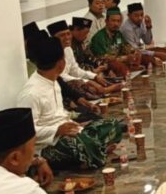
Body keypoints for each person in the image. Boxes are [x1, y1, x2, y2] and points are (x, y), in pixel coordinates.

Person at [18, 36, 124, 169]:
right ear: (61, 63)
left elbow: (59, 114)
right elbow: (27, 132)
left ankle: (94, 152)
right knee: (78, 145)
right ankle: (95, 151)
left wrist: (73, 121)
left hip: (71, 132)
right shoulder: (31, 92)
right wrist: (56, 130)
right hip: (49, 145)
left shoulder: (53, 81)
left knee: (111, 124)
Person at [46, 20, 118, 96]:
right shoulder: (51, 54)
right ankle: (105, 91)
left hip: (73, 80)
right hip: (60, 86)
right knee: (86, 87)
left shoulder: (68, 49)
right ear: (53, 38)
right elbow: (61, 77)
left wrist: (94, 76)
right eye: (62, 35)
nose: (67, 37)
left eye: (68, 34)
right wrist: (85, 81)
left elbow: (75, 70)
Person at [89, 7, 140, 74]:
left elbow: (126, 47)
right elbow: (106, 59)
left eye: (118, 21)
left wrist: (134, 52)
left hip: (120, 64)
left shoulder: (118, 34)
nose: (116, 24)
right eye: (113, 21)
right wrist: (125, 58)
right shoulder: (99, 38)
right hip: (105, 69)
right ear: (106, 21)